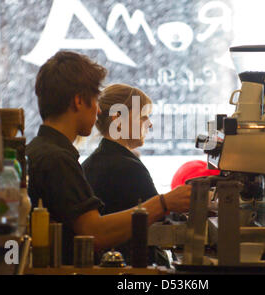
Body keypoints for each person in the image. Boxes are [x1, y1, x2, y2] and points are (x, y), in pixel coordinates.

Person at [25, 51, 191, 265]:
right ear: (78, 101)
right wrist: (164, 202)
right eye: (95, 100)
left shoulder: (38, 150)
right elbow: (95, 233)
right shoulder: (56, 160)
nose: (98, 109)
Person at [81, 84, 172, 265]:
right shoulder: (128, 168)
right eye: (144, 117)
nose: (150, 124)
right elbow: (163, 224)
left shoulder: (91, 163)